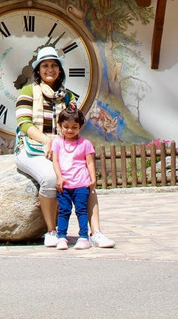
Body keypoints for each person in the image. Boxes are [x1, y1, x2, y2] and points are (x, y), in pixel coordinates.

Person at [15, 46, 115, 248]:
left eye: (54, 65)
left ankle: (95, 232)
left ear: (60, 70)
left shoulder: (68, 96)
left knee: (85, 181)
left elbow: (73, 123)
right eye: (45, 65)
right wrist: (46, 140)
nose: (49, 69)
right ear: (38, 70)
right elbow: (24, 124)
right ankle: (51, 231)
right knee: (50, 178)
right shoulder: (27, 91)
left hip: (63, 149)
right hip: (32, 148)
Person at [51, 106, 96, 250]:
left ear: (80, 127)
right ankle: (61, 237)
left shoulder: (85, 144)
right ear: (60, 126)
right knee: (64, 211)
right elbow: (56, 161)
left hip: (81, 184)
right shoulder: (57, 143)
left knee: (81, 210)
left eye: (74, 127)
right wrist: (59, 177)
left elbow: (89, 162)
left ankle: (83, 237)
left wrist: (93, 179)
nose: (70, 130)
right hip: (64, 185)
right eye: (66, 127)